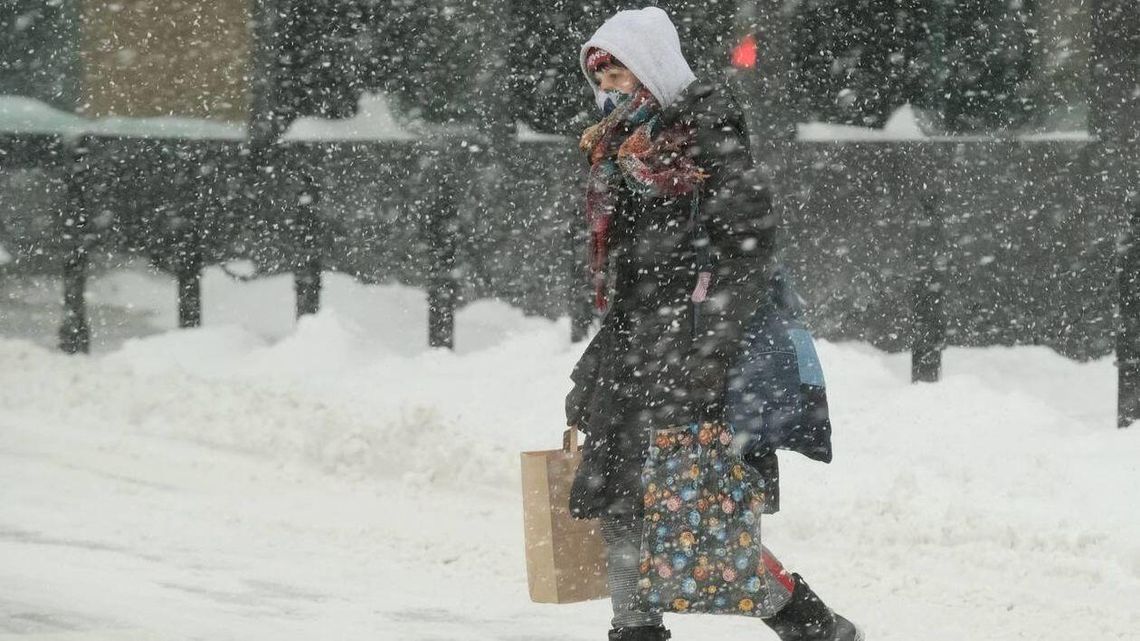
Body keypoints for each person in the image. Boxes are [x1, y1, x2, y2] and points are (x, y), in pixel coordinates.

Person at [564, 8, 864, 641]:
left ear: (649, 65)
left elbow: (749, 243)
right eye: (603, 77)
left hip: (695, 340)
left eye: (619, 72)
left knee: (700, 501)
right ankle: (635, 629)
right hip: (638, 339)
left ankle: (810, 624)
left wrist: (712, 346)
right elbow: (630, 260)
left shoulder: (704, 129)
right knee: (623, 491)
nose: (611, 88)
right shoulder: (619, 143)